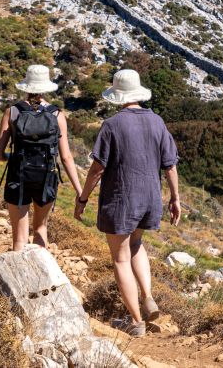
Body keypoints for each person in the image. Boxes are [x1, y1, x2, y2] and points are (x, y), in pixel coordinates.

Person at [74, 69, 181, 338]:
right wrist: (175, 198)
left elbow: (97, 168)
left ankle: (135, 321)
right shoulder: (157, 121)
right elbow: (170, 165)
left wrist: (83, 197)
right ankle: (147, 296)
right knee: (136, 244)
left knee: (120, 258)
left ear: (118, 96)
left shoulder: (112, 125)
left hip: (122, 198)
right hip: (150, 198)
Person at [0, 64, 82, 251]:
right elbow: (66, 157)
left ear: (26, 87)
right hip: (46, 178)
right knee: (41, 228)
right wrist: (79, 190)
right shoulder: (57, 115)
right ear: (45, 88)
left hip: (18, 176)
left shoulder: (12, 112)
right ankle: (40, 276)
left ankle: (20, 278)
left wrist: (14, 156)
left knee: (19, 238)